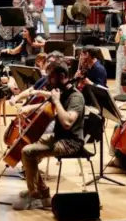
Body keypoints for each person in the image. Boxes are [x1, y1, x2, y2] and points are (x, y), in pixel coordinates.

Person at [13, 64, 85, 210]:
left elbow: (67, 122)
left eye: (52, 78)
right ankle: (42, 192)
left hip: (70, 142)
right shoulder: (61, 91)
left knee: (28, 152)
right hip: (58, 137)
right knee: (23, 146)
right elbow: (47, 103)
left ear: (63, 78)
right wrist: (29, 108)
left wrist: (57, 101)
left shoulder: (76, 97)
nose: (49, 81)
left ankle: (35, 195)